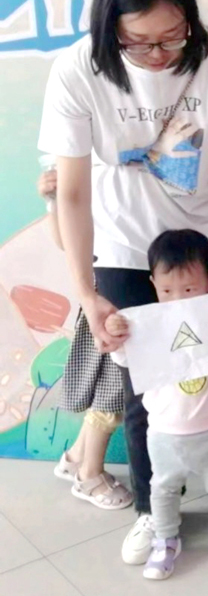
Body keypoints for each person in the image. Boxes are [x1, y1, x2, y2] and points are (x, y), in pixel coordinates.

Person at [37, 0, 208, 565]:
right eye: (138, 42)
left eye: (172, 37)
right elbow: (72, 191)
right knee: (141, 386)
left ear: (190, 19)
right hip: (126, 247)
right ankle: (154, 513)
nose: (158, 55)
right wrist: (86, 292)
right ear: (109, 29)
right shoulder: (77, 72)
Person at [106, 230, 208, 582]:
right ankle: (165, 540)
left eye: (189, 289)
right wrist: (114, 333)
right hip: (162, 434)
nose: (177, 299)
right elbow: (122, 357)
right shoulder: (147, 326)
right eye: (167, 290)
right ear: (153, 284)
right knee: (162, 490)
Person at [37, 167, 132, 510]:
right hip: (107, 297)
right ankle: (89, 475)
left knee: (113, 389)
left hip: (117, 291)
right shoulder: (83, 171)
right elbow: (65, 240)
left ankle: (77, 456)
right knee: (111, 393)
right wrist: (53, 201)